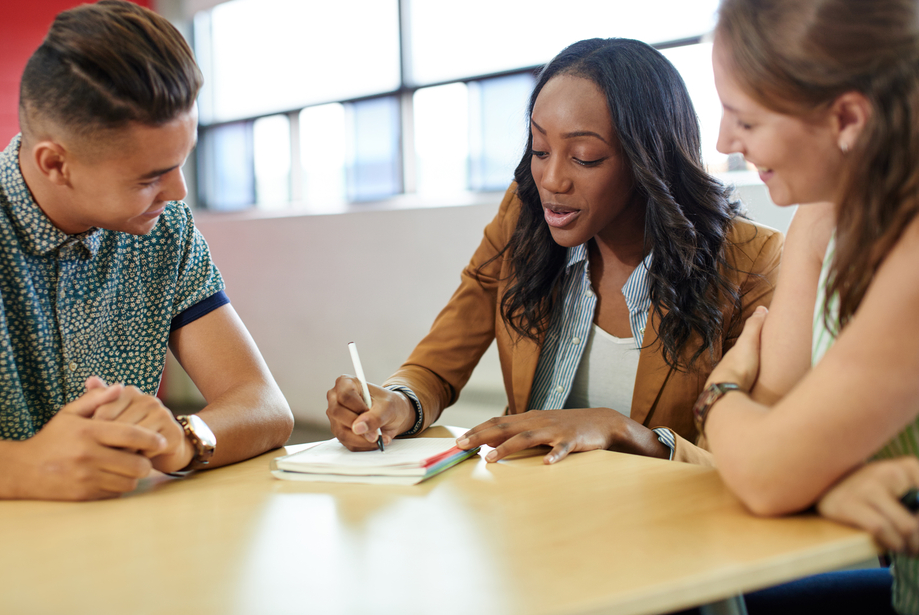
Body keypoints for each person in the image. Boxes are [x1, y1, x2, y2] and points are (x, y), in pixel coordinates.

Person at [326, 38, 783, 465]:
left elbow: (753, 458)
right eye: (540, 149)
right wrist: (399, 402)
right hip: (532, 513)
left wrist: (621, 431)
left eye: (584, 157)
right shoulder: (522, 219)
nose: (551, 180)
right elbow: (437, 365)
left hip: (663, 529)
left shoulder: (751, 260)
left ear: (650, 160)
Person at [0, 0, 294, 502]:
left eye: (182, 162)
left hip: (113, 547)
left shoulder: (165, 231)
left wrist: (182, 441)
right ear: (56, 163)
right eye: (150, 177)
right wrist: (22, 468)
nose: (179, 192)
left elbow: (262, 403)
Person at [694, 0, 919, 612]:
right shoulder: (833, 211)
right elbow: (770, 421)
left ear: (847, 119)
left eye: (747, 118)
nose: (724, 141)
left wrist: (718, 388)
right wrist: (827, 476)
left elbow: (762, 463)